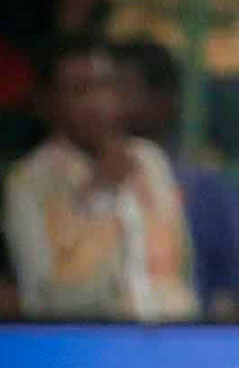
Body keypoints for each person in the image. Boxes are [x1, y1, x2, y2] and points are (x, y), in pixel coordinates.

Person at [1, 33, 199, 321]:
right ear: (48, 102)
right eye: (80, 90)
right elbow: (41, 296)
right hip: (83, 338)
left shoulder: (149, 161)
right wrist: (98, 193)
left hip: (171, 333)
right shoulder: (29, 182)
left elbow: (182, 270)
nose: (97, 103)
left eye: (105, 86)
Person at [112, 38, 239, 322]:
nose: (105, 103)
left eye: (122, 89)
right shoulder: (60, 179)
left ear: (165, 99)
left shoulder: (207, 188)